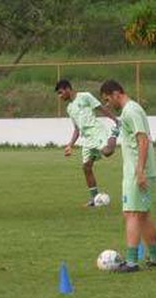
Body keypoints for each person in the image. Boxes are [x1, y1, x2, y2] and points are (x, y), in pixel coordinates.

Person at [99, 79, 156, 272]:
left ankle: (131, 262)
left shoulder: (131, 111)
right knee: (143, 215)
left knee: (132, 214)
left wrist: (140, 171)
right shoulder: (130, 111)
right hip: (137, 170)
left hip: (138, 172)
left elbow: (142, 140)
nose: (107, 104)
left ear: (116, 94)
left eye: (107, 99)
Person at [55, 79, 120, 207]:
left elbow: (101, 109)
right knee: (86, 167)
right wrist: (70, 145)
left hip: (97, 132)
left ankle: (114, 133)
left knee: (107, 152)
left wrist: (115, 120)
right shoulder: (69, 108)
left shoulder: (85, 96)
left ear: (68, 89)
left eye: (61, 92)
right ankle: (95, 198)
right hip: (87, 139)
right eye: (58, 94)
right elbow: (77, 129)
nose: (60, 96)